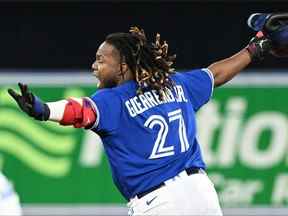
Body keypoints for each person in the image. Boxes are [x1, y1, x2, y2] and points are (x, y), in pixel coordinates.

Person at [7, 25, 273, 215]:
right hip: (201, 193)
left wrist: (43, 110)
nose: (94, 66)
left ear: (123, 67)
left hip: (159, 203)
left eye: (101, 60)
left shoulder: (114, 100)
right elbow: (216, 74)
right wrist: (255, 47)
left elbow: (78, 111)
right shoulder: (175, 83)